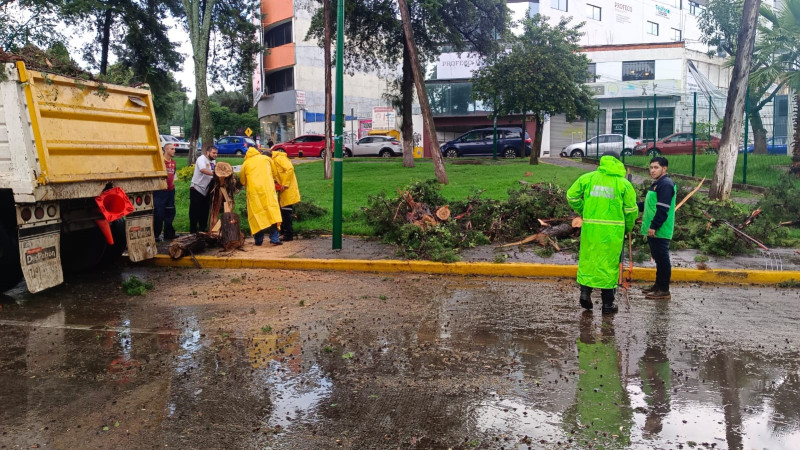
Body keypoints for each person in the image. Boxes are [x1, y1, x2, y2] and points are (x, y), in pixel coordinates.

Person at [567, 155, 638, 314]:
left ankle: (585, 292)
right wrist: (628, 227)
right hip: (613, 231)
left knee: (589, 260)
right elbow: (631, 211)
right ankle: (608, 304)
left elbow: (571, 196)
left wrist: (583, 210)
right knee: (610, 265)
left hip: (591, 229)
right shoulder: (623, 184)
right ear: (619, 163)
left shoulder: (588, 178)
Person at [638, 156, 676, 300]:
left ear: (664, 169)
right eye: (651, 167)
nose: (652, 170)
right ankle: (657, 286)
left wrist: (654, 225)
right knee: (659, 259)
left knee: (662, 259)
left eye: (656, 167)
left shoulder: (665, 184)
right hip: (653, 227)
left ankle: (664, 290)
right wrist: (633, 206)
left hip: (660, 228)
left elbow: (663, 208)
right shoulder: (657, 183)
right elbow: (649, 205)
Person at [239, 146, 282, 246]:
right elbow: (274, 172)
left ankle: (258, 240)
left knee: (256, 214)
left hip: (254, 193)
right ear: (258, 151)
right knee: (272, 213)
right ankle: (274, 238)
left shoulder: (246, 163)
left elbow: (242, 180)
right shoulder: (266, 158)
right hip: (268, 190)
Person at [269, 149, 301, 241]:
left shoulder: (279, 158)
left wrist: (284, 184)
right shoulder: (276, 160)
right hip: (284, 190)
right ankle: (284, 233)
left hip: (288, 189)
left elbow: (290, 169)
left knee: (286, 212)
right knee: (283, 212)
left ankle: (288, 235)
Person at [189, 145, 217, 233]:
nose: (215, 155)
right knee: (195, 210)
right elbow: (202, 169)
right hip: (197, 187)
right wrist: (214, 174)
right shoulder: (201, 159)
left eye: (216, 153)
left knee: (205, 210)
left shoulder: (213, 161)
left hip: (207, 189)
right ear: (208, 152)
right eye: (213, 153)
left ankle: (202, 229)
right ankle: (193, 230)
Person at [154, 143, 177, 241]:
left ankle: (169, 233)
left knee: (170, 211)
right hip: (160, 191)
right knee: (159, 213)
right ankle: (156, 234)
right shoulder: (160, 161)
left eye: (174, 149)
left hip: (170, 190)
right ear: (166, 150)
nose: (174, 151)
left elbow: (173, 174)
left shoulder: (173, 162)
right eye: (172, 149)